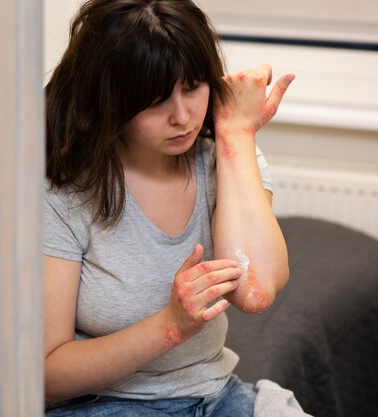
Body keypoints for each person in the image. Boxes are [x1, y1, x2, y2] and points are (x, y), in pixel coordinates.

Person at [43, 0, 301, 415]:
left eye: (193, 87)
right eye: (155, 100)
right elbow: (48, 372)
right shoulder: (63, 192)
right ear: (109, 100)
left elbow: (255, 292)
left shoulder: (226, 156)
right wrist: (171, 325)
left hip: (215, 392)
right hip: (105, 404)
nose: (182, 117)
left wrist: (236, 132)